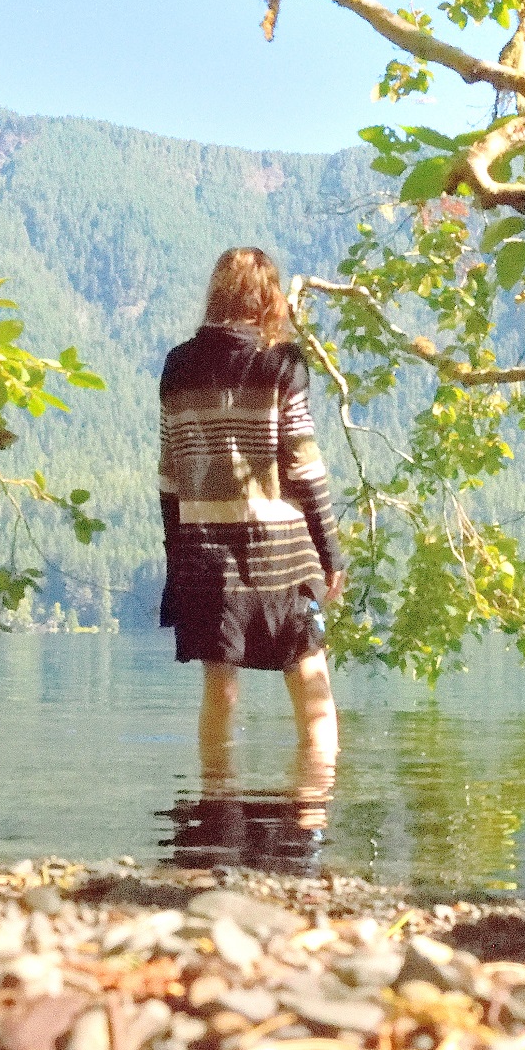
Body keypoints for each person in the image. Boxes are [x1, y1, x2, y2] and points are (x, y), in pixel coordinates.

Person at [158, 248, 345, 800]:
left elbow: (170, 472)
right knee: (311, 686)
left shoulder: (178, 365)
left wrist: (177, 556)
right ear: (268, 297)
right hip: (282, 557)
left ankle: (217, 821)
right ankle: (310, 825)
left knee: (220, 690)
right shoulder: (282, 363)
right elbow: (304, 468)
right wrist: (331, 553)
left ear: (216, 293)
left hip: (204, 556)